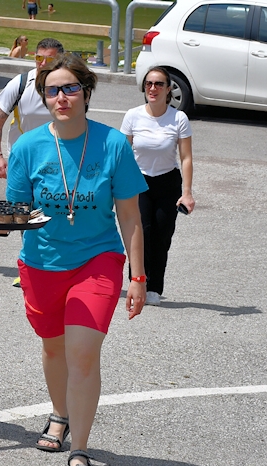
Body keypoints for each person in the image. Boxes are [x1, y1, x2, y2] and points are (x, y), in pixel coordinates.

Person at [6, 53, 147, 466]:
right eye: (52, 89)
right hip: (42, 262)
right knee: (53, 349)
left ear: (85, 92)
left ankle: (80, 448)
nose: (61, 97)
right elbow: (17, 210)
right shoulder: (27, 146)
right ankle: (60, 414)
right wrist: (0, 223)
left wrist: (137, 277)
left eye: (70, 88)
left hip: (97, 260)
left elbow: (130, 217)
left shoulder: (113, 144)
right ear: (43, 97)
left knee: (82, 354)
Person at [0, 37, 63, 288]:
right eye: (38, 58)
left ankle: (55, 267)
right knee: (23, 215)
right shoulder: (21, 83)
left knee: (52, 212)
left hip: (57, 160)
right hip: (22, 161)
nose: (43, 63)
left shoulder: (68, 87)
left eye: (49, 59)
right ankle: (31, 268)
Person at [120, 66, 194, 306]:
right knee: (141, 234)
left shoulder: (178, 118)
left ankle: (155, 288)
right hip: (138, 181)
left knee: (162, 236)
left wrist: (187, 193)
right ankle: (137, 281)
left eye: (158, 84)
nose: (153, 88)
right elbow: (122, 152)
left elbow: (186, 158)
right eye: (149, 83)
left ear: (168, 89)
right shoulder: (133, 115)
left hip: (167, 181)